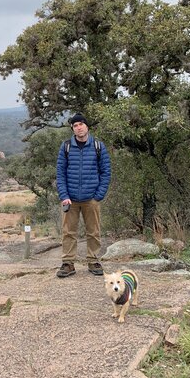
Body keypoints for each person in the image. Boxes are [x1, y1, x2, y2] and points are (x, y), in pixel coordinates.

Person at [56, 113, 111, 277]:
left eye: (81, 124)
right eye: (75, 125)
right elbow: (60, 173)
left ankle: (93, 261)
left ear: (87, 126)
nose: (79, 127)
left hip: (91, 198)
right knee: (68, 232)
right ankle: (68, 263)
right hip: (70, 199)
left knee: (93, 231)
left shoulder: (98, 146)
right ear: (72, 129)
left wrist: (98, 196)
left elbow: (106, 172)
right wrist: (64, 195)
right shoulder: (66, 147)